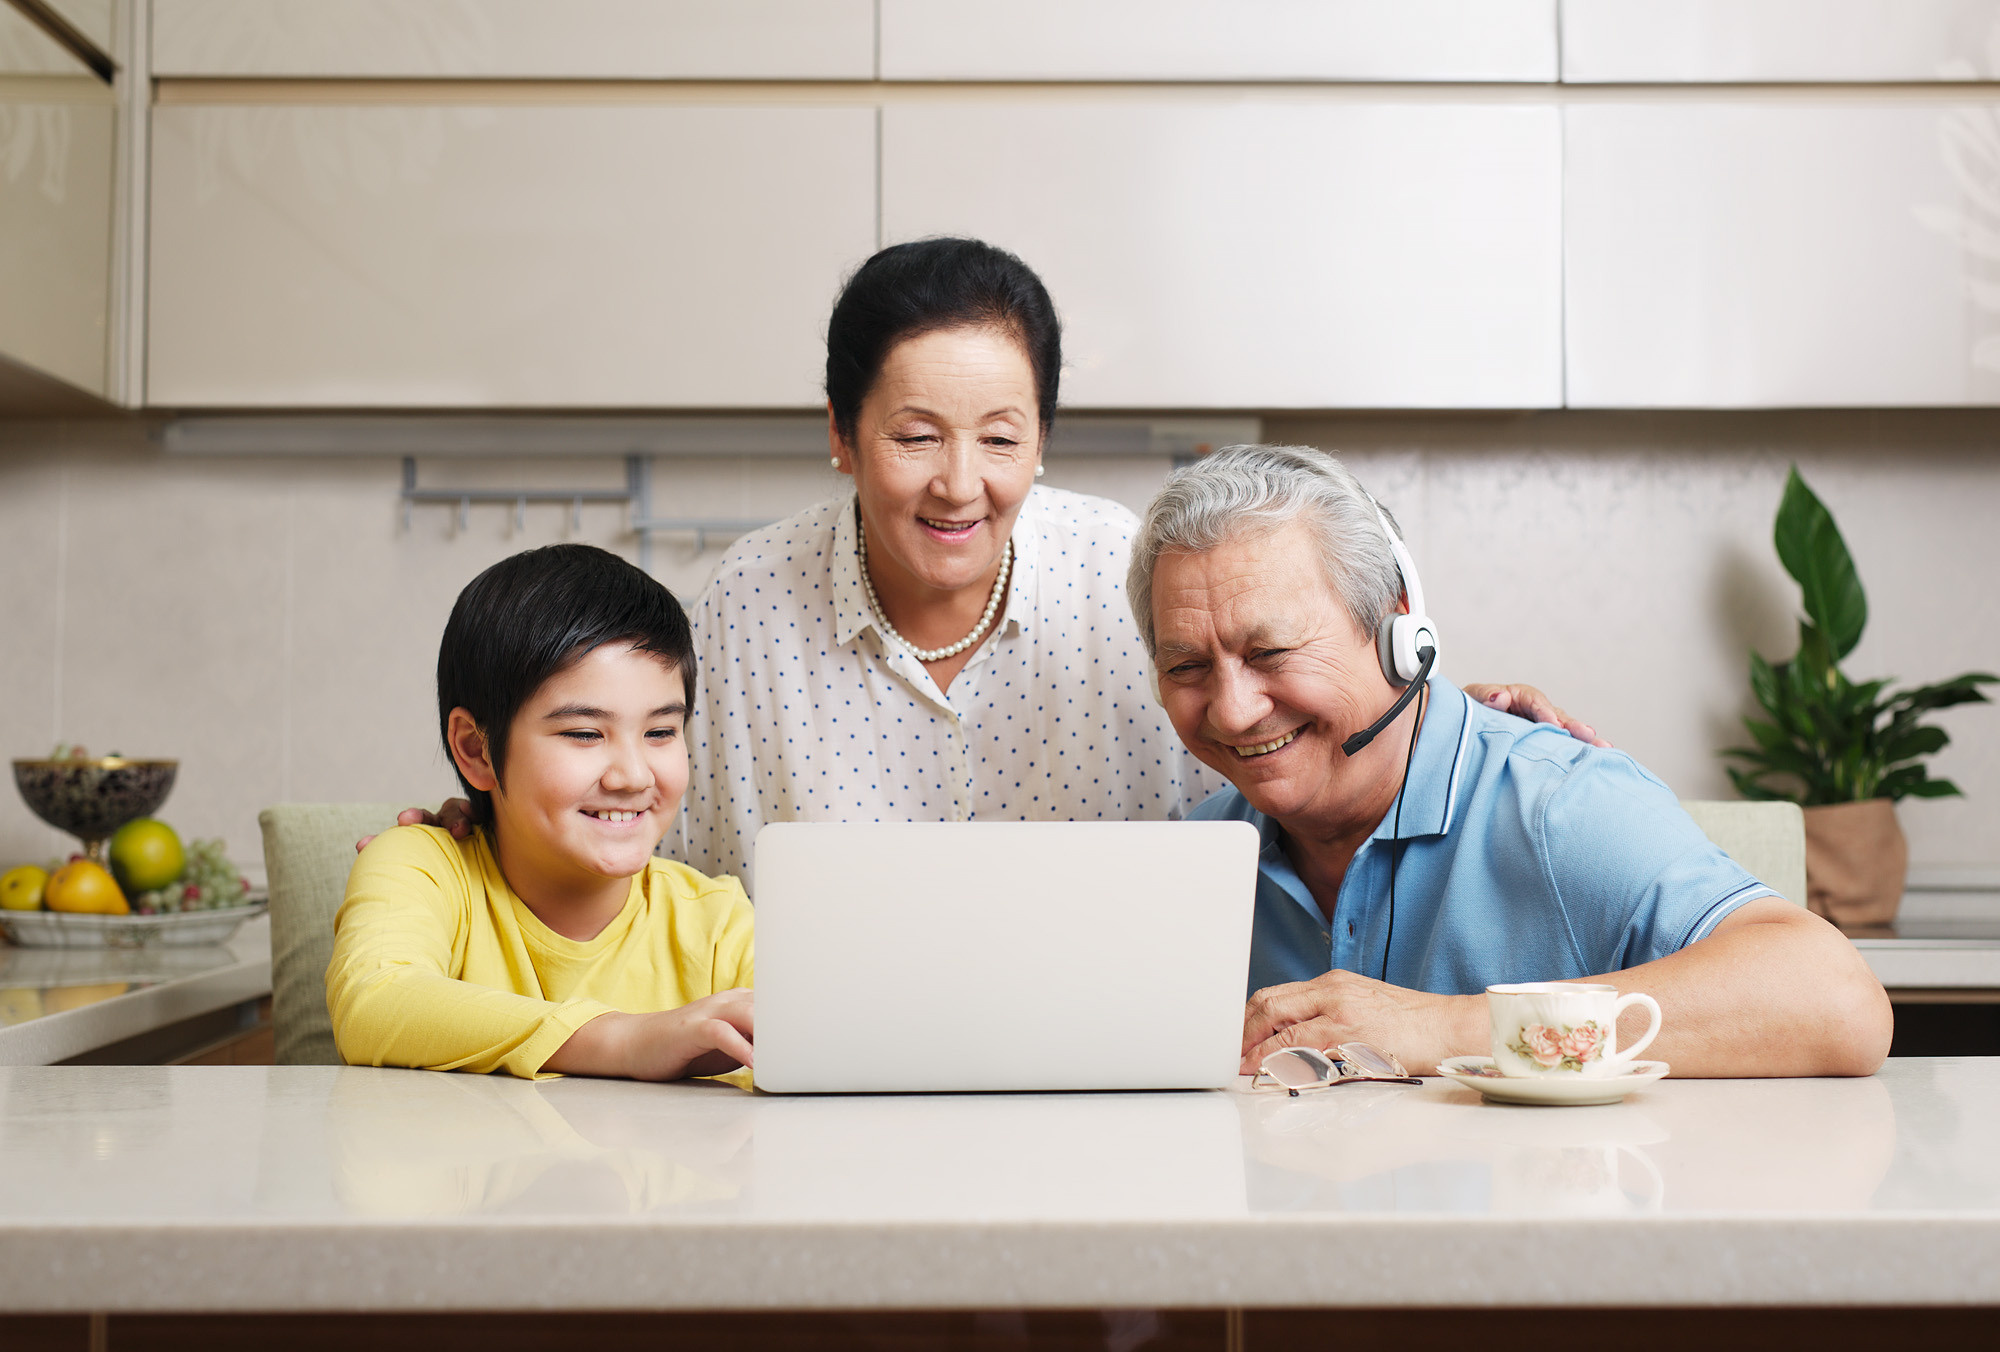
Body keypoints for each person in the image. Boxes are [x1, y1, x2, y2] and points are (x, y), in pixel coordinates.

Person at [376, 238, 1598, 877]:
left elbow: (1262, 768)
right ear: (843, 438)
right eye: (914, 435)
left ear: (1042, 440)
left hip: (1106, 1072)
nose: (960, 483)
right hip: (811, 1090)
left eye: (1000, 437)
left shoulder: (1123, 572)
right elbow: (656, 851)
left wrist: (1426, 724)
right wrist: (489, 839)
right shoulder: (748, 598)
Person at [1129, 444, 1894, 1078]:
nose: (1231, 711)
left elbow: (1837, 1001)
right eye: (1188, 667)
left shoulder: (1558, 804)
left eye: (1270, 651)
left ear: (1399, 626)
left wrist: (1443, 1028)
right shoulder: (1209, 849)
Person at [328, 544, 755, 1082]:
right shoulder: (421, 866)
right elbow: (375, 1004)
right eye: (584, 733)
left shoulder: (716, 923)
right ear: (477, 750)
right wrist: (626, 1040)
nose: (633, 775)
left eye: (661, 732)